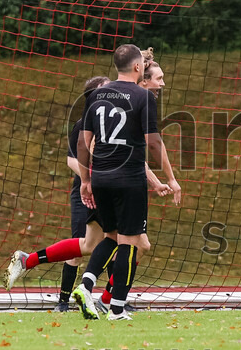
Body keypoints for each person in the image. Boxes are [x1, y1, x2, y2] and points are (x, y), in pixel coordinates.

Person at [1, 77, 171, 307]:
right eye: (158, 77)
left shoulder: (127, 113)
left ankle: (29, 261)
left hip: (110, 184)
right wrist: (88, 180)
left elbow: (136, 159)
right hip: (101, 187)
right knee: (128, 244)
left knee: (95, 244)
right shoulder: (90, 121)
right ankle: (106, 299)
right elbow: (76, 157)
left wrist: (156, 183)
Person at [71, 44, 179, 321]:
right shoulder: (143, 96)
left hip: (101, 178)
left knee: (111, 236)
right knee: (130, 242)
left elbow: (84, 143)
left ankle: (85, 286)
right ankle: (117, 308)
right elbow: (153, 142)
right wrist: (170, 179)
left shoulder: (95, 95)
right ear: (137, 67)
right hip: (129, 179)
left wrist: (86, 180)